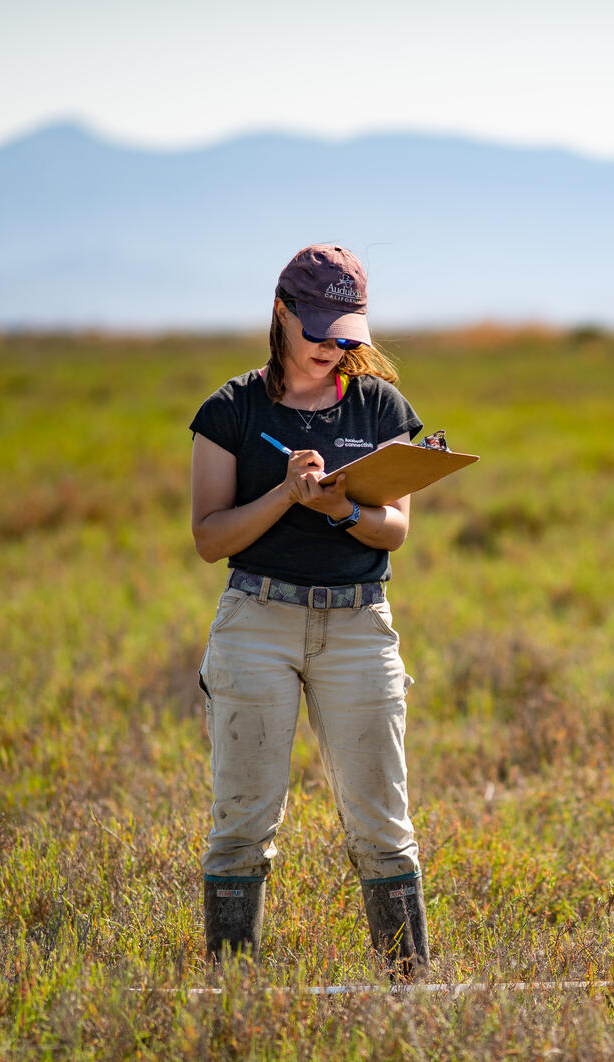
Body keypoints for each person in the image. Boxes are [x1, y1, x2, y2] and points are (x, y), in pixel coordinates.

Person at [189, 244, 429, 977]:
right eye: (318, 327)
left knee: (383, 825)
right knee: (242, 825)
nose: (333, 346)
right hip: (256, 623)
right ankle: (232, 998)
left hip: (358, 626)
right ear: (281, 312)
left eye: (346, 330)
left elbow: (394, 528)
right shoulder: (230, 410)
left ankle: (408, 997)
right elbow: (209, 537)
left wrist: (341, 505)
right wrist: (285, 497)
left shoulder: (381, 405)